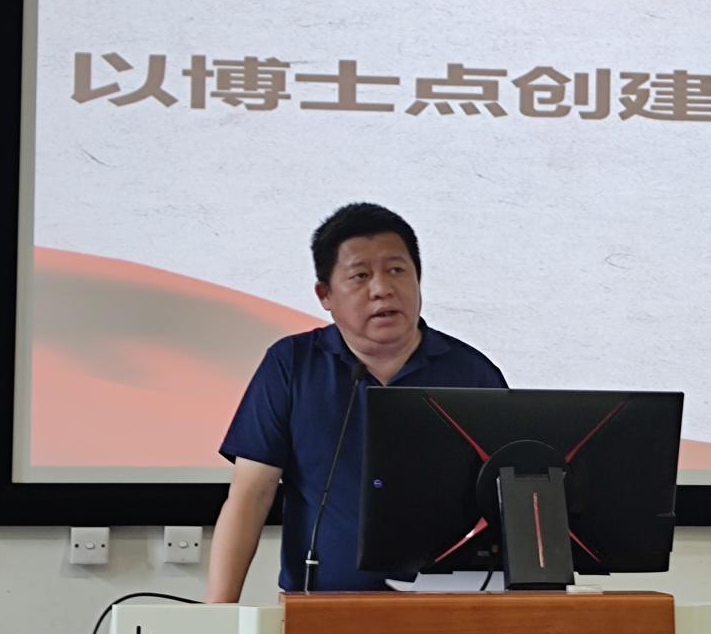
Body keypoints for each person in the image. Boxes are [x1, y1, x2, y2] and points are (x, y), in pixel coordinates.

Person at [207, 202, 507, 600]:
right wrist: (219, 612)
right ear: (325, 294)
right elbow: (251, 493)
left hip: (450, 608)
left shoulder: (472, 374)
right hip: (322, 608)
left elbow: (510, 500)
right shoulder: (292, 365)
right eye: (360, 276)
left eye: (396, 270)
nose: (382, 289)